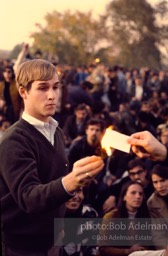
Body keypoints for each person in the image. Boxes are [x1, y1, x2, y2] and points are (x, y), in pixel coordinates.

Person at [0, 59, 104, 256]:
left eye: (56, 87)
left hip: (52, 239)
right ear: (23, 92)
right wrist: (71, 181)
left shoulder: (55, 131)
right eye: (42, 88)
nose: (52, 95)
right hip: (21, 246)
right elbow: (29, 197)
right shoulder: (15, 140)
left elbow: (52, 180)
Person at [99, 180, 152, 256]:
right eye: (133, 193)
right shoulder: (111, 217)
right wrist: (128, 251)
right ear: (124, 197)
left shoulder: (145, 216)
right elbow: (103, 249)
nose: (138, 196)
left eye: (140, 194)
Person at [147, 164, 168, 249]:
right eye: (155, 182)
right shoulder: (152, 203)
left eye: (163, 180)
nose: (159, 186)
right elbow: (158, 235)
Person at [62, 187, 99, 256]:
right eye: (69, 191)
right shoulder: (49, 216)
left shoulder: (89, 214)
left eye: (79, 191)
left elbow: (91, 250)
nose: (75, 196)